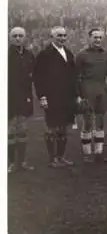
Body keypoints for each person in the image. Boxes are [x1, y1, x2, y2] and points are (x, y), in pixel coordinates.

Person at [34, 26, 77, 168]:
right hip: (52, 96)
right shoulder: (45, 54)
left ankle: (61, 156)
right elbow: (38, 78)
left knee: (64, 127)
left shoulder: (69, 53)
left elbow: (73, 76)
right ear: (52, 37)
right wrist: (42, 97)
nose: (62, 38)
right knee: (52, 127)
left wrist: (76, 95)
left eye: (64, 35)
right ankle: (52, 159)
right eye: (59, 35)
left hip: (67, 97)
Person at [75, 28, 107, 163]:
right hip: (87, 89)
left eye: (100, 38)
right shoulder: (82, 55)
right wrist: (78, 94)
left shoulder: (106, 54)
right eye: (95, 37)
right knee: (88, 121)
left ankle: (99, 152)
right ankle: (87, 153)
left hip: (102, 88)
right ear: (89, 38)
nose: (98, 40)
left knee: (100, 121)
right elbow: (76, 76)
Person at [8, 27, 36, 173]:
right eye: (15, 36)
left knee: (23, 130)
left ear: (25, 37)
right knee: (11, 130)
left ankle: (23, 161)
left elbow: (34, 74)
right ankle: (11, 163)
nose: (18, 38)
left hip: (25, 96)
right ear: (10, 37)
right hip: (9, 97)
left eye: (20, 35)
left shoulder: (29, 55)